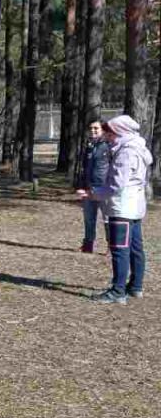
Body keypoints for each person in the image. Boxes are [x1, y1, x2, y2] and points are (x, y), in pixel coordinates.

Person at [79, 115, 152, 305]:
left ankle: (118, 291)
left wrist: (93, 194)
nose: (108, 136)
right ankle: (135, 286)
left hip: (122, 206)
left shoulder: (126, 152)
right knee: (135, 248)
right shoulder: (137, 147)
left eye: (110, 133)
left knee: (119, 250)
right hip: (134, 206)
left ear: (120, 132)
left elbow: (116, 184)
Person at [75, 120, 110, 252]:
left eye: (96, 128)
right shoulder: (89, 146)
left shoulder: (108, 146)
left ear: (103, 130)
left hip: (104, 188)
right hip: (89, 188)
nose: (93, 131)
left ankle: (111, 246)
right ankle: (88, 245)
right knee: (89, 218)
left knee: (107, 219)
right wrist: (81, 185)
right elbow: (83, 168)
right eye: (91, 128)